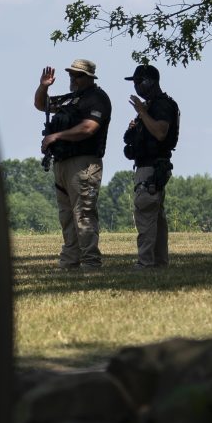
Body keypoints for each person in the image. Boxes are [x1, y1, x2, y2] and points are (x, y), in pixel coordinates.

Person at [35, 58, 114, 269]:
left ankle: (90, 261)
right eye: (71, 74)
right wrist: (43, 87)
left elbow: (88, 128)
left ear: (88, 77)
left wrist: (56, 136)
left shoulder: (97, 98)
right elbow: (41, 105)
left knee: (84, 213)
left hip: (84, 163)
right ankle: (70, 261)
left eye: (77, 75)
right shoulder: (71, 99)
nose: (73, 78)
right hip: (62, 163)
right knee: (66, 215)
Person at [122, 64, 180, 268]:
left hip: (151, 167)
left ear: (150, 82)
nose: (136, 86)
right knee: (155, 217)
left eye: (139, 81)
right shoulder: (151, 106)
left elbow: (160, 132)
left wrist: (141, 112)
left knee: (145, 214)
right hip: (148, 166)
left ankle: (145, 262)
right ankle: (159, 262)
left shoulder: (161, 105)